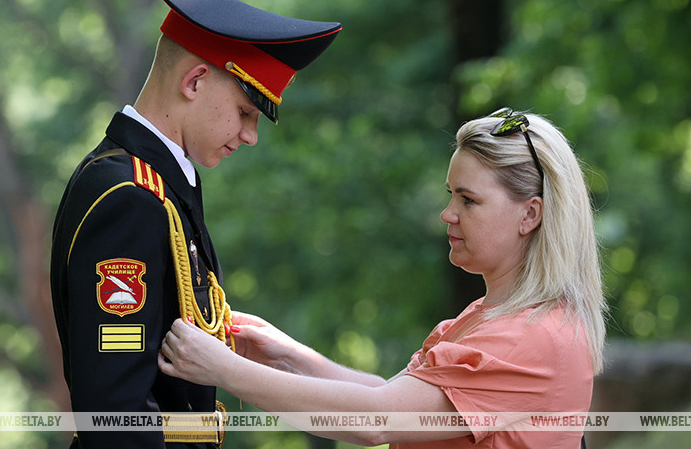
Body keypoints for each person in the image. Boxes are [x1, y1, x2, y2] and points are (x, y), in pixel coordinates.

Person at [158, 108, 607, 448]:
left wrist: (224, 370)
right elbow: (393, 397)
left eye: (469, 200)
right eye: (451, 195)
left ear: (530, 214)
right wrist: (286, 356)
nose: (447, 214)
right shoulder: (491, 320)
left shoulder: (531, 338)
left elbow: (378, 419)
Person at [49, 0, 341, 448]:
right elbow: (116, 418)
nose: (250, 135)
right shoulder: (132, 197)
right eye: (247, 113)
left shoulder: (157, 184)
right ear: (196, 81)